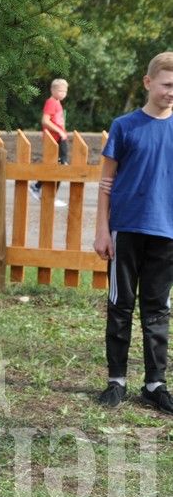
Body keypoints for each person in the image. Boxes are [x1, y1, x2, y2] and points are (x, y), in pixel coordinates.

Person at [94, 51, 173, 415]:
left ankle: (155, 383)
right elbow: (106, 184)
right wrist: (102, 231)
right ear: (148, 83)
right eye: (166, 85)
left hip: (166, 233)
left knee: (157, 309)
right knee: (120, 306)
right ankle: (117, 381)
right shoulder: (125, 126)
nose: (171, 92)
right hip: (125, 230)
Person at [29, 78, 69, 207]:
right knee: (61, 166)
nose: (63, 93)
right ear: (52, 90)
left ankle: (40, 188)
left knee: (58, 166)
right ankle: (43, 192)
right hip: (54, 139)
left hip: (58, 139)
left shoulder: (57, 103)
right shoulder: (51, 102)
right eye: (60, 90)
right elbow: (45, 121)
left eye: (65, 91)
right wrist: (60, 131)